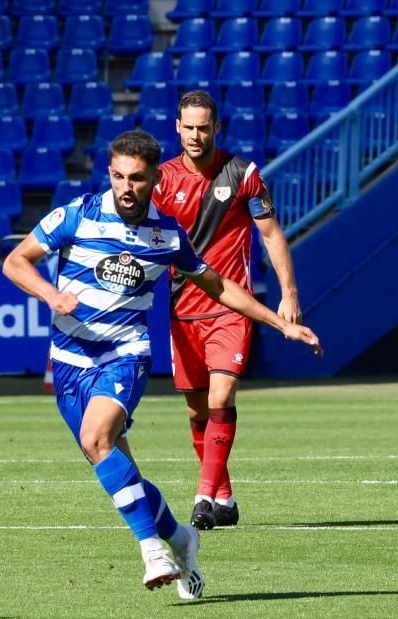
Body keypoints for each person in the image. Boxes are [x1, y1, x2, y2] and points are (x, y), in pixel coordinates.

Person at [3, 130, 321, 598]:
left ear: (155, 177)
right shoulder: (77, 215)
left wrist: (280, 322)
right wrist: (52, 294)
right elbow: (15, 262)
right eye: (117, 176)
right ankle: (181, 538)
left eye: (135, 178)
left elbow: (219, 286)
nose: (125, 186)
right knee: (114, 464)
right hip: (69, 360)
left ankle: (151, 549)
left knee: (97, 438)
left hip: (123, 356)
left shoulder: (167, 235)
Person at [152, 90, 303, 530]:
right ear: (177, 128)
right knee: (198, 412)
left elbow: (272, 235)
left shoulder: (243, 174)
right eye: (189, 127)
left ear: (217, 127)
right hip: (182, 313)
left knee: (221, 397)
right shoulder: (161, 181)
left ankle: (202, 498)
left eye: (204, 127)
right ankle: (225, 498)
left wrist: (288, 294)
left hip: (230, 308)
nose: (196, 135)